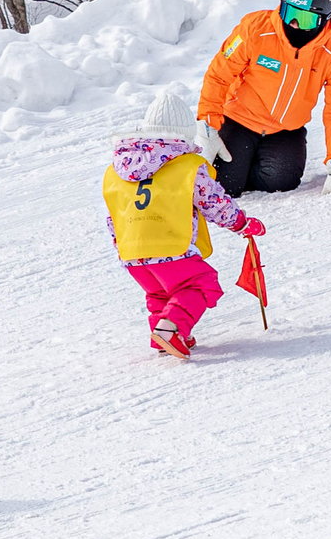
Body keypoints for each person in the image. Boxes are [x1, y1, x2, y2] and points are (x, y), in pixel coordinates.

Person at [102, 91, 266, 360]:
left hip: (131, 251)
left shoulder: (117, 169)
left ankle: (164, 336)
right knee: (201, 283)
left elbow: (113, 214)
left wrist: (122, 244)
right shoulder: (188, 165)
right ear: (185, 135)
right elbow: (214, 202)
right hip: (170, 245)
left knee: (160, 293)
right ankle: (170, 330)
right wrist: (242, 224)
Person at [196, 0, 331, 198]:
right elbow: (219, 75)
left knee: (280, 182)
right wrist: (208, 126)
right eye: (290, 12)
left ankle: (250, 162)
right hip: (239, 119)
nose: (294, 25)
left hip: (285, 129)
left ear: (325, 19)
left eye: (305, 18)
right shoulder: (255, 29)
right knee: (224, 186)